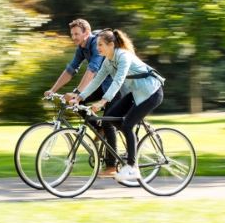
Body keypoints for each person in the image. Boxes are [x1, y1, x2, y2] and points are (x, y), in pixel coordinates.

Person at [68, 29, 164, 182]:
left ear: (111, 45)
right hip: (137, 93)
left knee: (126, 124)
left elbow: (118, 82)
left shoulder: (123, 56)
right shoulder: (108, 61)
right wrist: (79, 98)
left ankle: (132, 168)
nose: (97, 48)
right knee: (110, 117)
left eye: (100, 45)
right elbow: (96, 81)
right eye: (97, 44)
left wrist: (102, 101)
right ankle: (135, 141)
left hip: (151, 93)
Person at [45, 19, 118, 177]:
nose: (74, 37)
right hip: (101, 87)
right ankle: (97, 126)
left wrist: (77, 93)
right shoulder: (81, 49)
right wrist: (52, 90)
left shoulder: (95, 45)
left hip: (115, 88)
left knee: (109, 121)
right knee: (78, 103)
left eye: (77, 34)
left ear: (86, 33)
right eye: (72, 34)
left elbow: (92, 71)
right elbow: (70, 70)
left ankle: (112, 166)